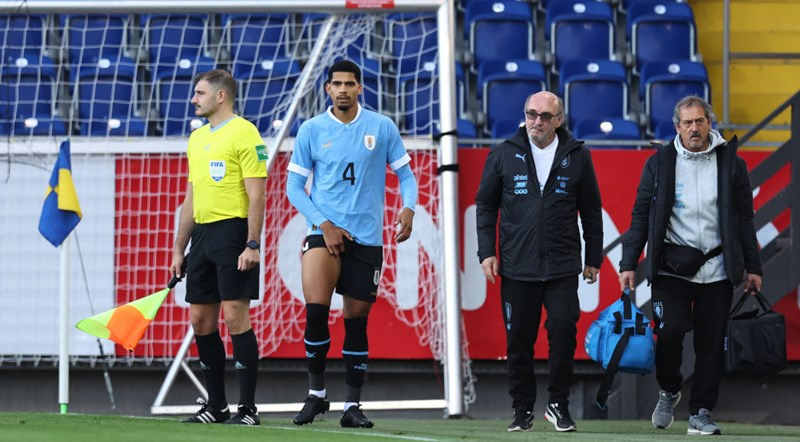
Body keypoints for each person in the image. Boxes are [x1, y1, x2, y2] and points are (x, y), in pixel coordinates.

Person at [618, 96, 762, 436]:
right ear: (677, 127)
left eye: (699, 121)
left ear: (710, 123)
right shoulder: (660, 163)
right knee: (669, 331)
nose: (694, 128)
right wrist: (628, 263)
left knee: (711, 344)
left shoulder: (732, 163)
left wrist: (752, 267)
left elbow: (744, 220)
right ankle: (669, 389)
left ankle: (700, 412)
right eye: (687, 123)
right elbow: (640, 217)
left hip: (718, 269)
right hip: (671, 267)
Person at [286, 60, 417, 429]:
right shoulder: (312, 130)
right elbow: (294, 187)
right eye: (336, 84)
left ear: (360, 88)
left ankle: (352, 405)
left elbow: (406, 175)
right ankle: (315, 396)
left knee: (356, 321)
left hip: (367, 239)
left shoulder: (381, 126)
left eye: (349, 83)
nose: (343, 89)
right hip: (322, 235)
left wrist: (408, 208)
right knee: (316, 312)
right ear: (327, 89)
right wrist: (324, 223)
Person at [475, 91, 603, 433]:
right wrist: (486, 252)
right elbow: (485, 206)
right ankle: (521, 409)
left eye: (546, 116)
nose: (537, 121)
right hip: (517, 266)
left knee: (562, 333)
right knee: (519, 341)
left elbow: (591, 209)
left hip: (562, 266)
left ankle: (558, 404)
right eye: (532, 114)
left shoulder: (578, 156)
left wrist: (593, 257)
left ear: (559, 120)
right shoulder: (504, 152)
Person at [170, 69, 267, 426]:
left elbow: (257, 194)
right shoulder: (196, 140)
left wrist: (252, 243)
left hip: (233, 233)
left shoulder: (246, 133)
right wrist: (179, 248)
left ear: (220, 96)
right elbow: (190, 197)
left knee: (234, 315)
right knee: (200, 320)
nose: (193, 99)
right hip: (202, 237)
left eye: (199, 93)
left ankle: (247, 410)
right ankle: (216, 406)